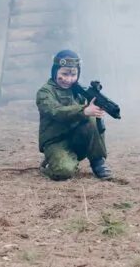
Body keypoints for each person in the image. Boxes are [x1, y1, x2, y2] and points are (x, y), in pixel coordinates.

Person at [36, 49, 112, 180]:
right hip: (55, 141)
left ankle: (98, 162)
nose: (68, 79)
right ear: (55, 72)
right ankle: (50, 164)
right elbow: (56, 111)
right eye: (64, 74)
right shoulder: (45, 92)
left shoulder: (78, 90)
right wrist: (84, 110)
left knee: (92, 119)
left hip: (76, 137)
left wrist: (96, 109)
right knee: (63, 172)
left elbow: (89, 116)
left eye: (73, 75)